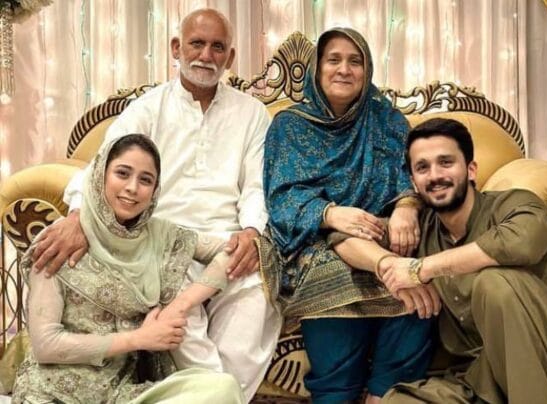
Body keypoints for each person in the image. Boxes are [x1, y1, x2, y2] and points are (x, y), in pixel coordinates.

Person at [29, 8, 281, 401]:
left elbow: (257, 185)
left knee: (255, 298)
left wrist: (251, 231)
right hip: (163, 244)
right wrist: (77, 217)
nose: (206, 55)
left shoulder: (251, 113)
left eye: (218, 47)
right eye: (197, 44)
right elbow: (100, 167)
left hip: (229, 242)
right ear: (176, 48)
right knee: (178, 317)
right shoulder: (148, 108)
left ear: (230, 57)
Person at [259, 27, 438, 403]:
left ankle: (386, 393)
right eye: (333, 60)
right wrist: (330, 214)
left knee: (420, 277)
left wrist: (407, 206)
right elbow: (281, 197)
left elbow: (414, 174)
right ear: (317, 68)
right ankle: (336, 393)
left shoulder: (387, 121)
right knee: (333, 277)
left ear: (367, 69)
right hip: (314, 240)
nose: (344, 69)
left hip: (379, 232)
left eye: (355, 61)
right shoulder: (289, 126)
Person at [370, 117, 547, 403]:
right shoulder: (421, 227)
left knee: (494, 283)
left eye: (446, 162)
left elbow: (519, 243)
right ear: (413, 183)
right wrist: (386, 253)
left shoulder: (516, 205)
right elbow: (346, 238)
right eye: (422, 168)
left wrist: (420, 268)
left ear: (471, 169)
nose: (435, 175)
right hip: (480, 381)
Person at [13, 134, 244, 403]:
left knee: (222, 388)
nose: (132, 188)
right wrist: (139, 338)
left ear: (155, 190)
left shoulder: (160, 236)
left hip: (121, 394)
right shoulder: (60, 240)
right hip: (53, 393)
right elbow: (45, 345)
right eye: (122, 173)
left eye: (146, 180)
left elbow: (230, 252)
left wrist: (180, 305)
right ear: (100, 175)